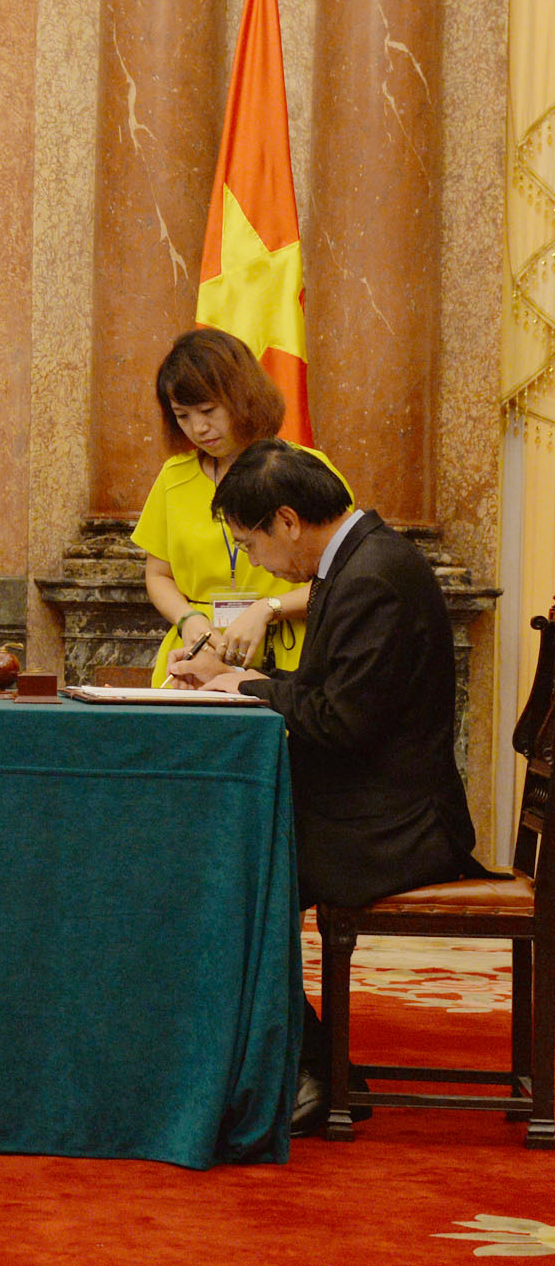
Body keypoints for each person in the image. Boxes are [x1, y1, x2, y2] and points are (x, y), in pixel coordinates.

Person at [168, 441, 489, 1132]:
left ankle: (309, 1069)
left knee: (230, 875)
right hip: (366, 806)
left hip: (396, 827)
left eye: (250, 543)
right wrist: (231, 682)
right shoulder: (358, 560)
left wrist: (245, 686)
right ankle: (301, 1064)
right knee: (226, 862)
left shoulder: (372, 575)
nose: (255, 562)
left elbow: (341, 724)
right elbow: (328, 699)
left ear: (286, 520)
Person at [134, 328, 351, 686]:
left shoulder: (304, 468)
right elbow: (158, 575)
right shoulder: (173, 477)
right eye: (182, 416)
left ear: (243, 397)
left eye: (208, 410)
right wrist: (189, 621)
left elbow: (345, 577)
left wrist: (267, 609)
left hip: (287, 648)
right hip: (195, 654)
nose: (198, 428)